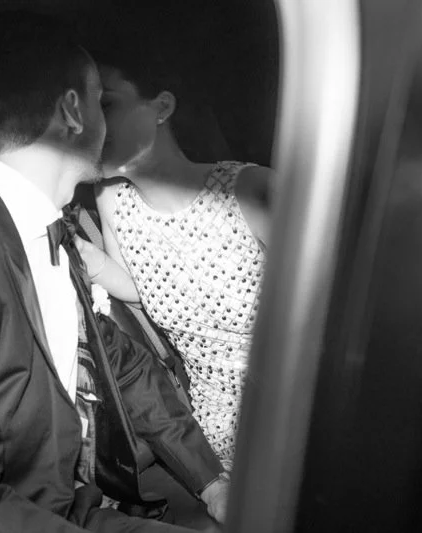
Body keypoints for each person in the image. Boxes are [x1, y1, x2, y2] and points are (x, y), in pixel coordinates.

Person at [0, 13, 228, 533]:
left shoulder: (51, 231)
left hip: (79, 506)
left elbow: (122, 366)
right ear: (72, 111)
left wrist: (213, 482)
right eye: (99, 102)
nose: (106, 122)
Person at [74, 46, 273, 471]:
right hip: (215, 440)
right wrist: (77, 253)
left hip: (290, 415)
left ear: (162, 106)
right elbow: (139, 286)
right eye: (84, 108)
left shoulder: (251, 190)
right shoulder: (110, 197)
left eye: (107, 103)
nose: (91, 124)